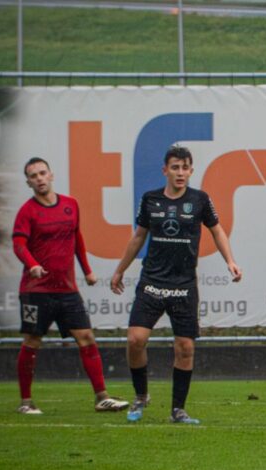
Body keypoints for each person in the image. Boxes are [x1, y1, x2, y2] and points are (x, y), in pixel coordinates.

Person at [111, 146, 242, 425]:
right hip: (152, 281)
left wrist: (230, 261)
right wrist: (120, 270)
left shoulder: (200, 200)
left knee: (185, 347)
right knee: (135, 339)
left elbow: (217, 230)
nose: (180, 173)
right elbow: (138, 237)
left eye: (185, 168)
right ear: (165, 170)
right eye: (175, 167)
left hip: (184, 285)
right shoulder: (150, 199)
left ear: (191, 171)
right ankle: (141, 395)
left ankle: (178, 410)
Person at [11, 158, 129, 415]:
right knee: (32, 340)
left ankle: (102, 397)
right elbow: (18, 245)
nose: (39, 178)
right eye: (33, 176)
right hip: (35, 291)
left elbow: (77, 238)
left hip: (67, 290)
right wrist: (32, 264)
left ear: (51, 175)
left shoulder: (70, 204)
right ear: (28, 182)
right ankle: (26, 402)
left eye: (42, 173)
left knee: (86, 337)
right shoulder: (27, 211)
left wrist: (87, 270)